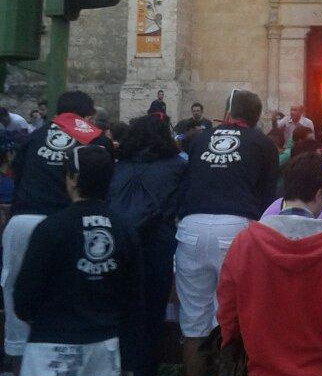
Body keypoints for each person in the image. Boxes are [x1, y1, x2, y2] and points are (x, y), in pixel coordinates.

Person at [217, 153, 322, 376]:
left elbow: (228, 311)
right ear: (319, 194)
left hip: (261, 368)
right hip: (320, 369)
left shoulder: (245, 241)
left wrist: (230, 346)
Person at [14, 144, 142, 376]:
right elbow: (134, 298)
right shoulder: (124, 230)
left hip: (50, 347)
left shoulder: (51, 228)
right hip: (105, 346)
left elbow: (24, 299)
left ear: (73, 178)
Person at [175, 89, 278, 376]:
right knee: (232, 320)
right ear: (256, 118)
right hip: (236, 227)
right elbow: (267, 199)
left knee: (194, 321)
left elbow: (188, 181)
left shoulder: (200, 139)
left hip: (192, 226)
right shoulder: (263, 144)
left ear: (229, 113)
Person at [3, 91, 109, 368]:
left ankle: (17, 362)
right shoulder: (93, 137)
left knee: (15, 296)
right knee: (64, 296)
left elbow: (16, 172)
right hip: (62, 223)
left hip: (21, 222)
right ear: (86, 116)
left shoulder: (34, 136)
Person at [108, 114, 187, 376]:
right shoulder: (176, 166)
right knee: (153, 312)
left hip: (119, 243)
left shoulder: (118, 167)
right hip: (157, 243)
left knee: (122, 311)